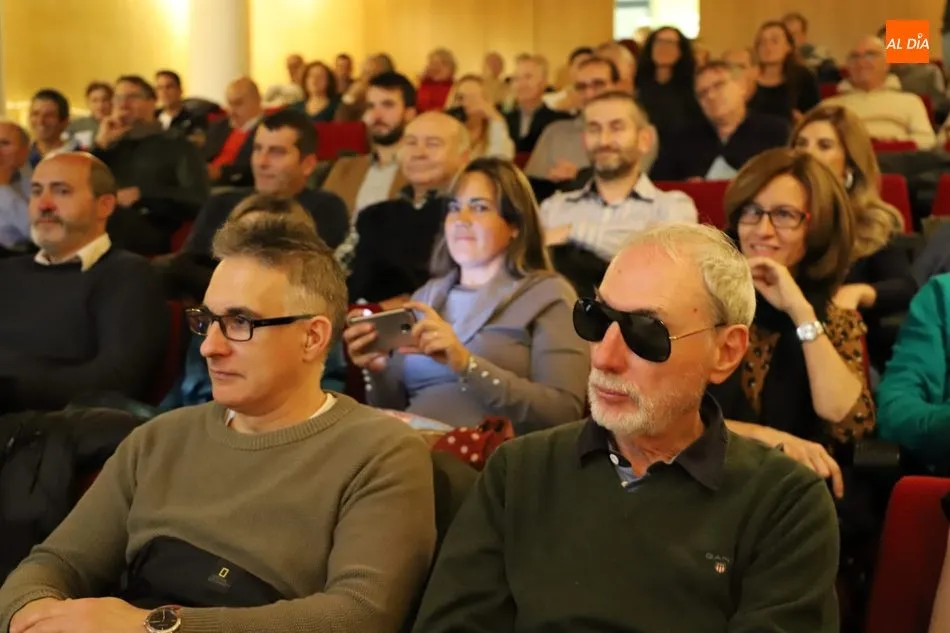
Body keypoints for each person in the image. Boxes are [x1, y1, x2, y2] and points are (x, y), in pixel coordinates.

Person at [0, 210, 436, 633]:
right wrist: (31, 614)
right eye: (207, 320)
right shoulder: (158, 438)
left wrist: (151, 627)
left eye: (240, 322)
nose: (210, 347)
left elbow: (361, 615)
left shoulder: (381, 452)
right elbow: (54, 563)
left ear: (312, 336)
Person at [411, 222, 840, 633]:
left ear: (726, 352)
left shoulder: (784, 502)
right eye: (596, 320)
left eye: (646, 332)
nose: (603, 357)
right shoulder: (518, 471)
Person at [344, 157, 588, 431]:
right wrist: (377, 371)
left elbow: (562, 413)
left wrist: (467, 365)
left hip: (490, 451)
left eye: (479, 207)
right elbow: (393, 407)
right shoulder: (425, 296)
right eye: (454, 207)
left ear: (515, 225)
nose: (461, 219)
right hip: (409, 443)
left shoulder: (549, 293)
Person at [708, 148, 875, 498]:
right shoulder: (704, 306)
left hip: (794, 493)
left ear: (817, 228)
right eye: (752, 211)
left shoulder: (832, 319)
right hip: (707, 481)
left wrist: (799, 310)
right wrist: (767, 438)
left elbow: (846, 420)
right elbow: (668, 419)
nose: (763, 230)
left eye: (784, 215)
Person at [0, 152, 168, 412]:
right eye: (36, 191)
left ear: (105, 205)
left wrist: (11, 390)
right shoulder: (8, 271)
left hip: (48, 424)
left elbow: (118, 380)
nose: (44, 204)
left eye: (62, 192)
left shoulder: (128, 275)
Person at [165, 108, 349, 301]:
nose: (262, 162)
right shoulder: (221, 202)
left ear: (308, 164)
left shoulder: (326, 208)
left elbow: (316, 281)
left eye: (276, 152)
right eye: (258, 149)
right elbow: (185, 265)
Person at [791, 104, 916, 369]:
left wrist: (859, 291)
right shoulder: (768, 214)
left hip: (846, 350)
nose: (807, 153)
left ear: (849, 164)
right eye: (801, 143)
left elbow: (904, 286)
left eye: (824, 146)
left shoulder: (873, 221)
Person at [540, 91, 697, 290]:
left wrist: (572, 231)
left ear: (645, 139)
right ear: (584, 139)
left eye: (616, 128)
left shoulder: (672, 206)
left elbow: (662, 268)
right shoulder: (554, 207)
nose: (604, 141)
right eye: (594, 129)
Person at [347, 111, 470, 307]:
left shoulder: (471, 216)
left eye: (433, 144)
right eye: (411, 143)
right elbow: (338, 276)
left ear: (464, 157)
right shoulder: (373, 215)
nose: (419, 153)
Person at [651, 60, 789, 181]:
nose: (710, 96)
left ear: (742, 86)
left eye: (718, 85)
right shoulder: (681, 141)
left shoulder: (775, 132)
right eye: (702, 93)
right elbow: (659, 185)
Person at [634, 26, 704, 143]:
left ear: (681, 51)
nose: (664, 48)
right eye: (659, 42)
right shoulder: (637, 86)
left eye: (671, 43)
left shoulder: (693, 89)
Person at [749, 21, 820, 122]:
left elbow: (816, 117)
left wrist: (803, 121)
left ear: (788, 47)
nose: (767, 46)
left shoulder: (803, 77)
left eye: (774, 41)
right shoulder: (749, 77)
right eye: (762, 42)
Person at [446, 75, 514, 159]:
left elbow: (500, 161)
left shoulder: (493, 131)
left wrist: (495, 117)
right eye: (460, 98)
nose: (465, 104)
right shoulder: (446, 131)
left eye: (474, 99)